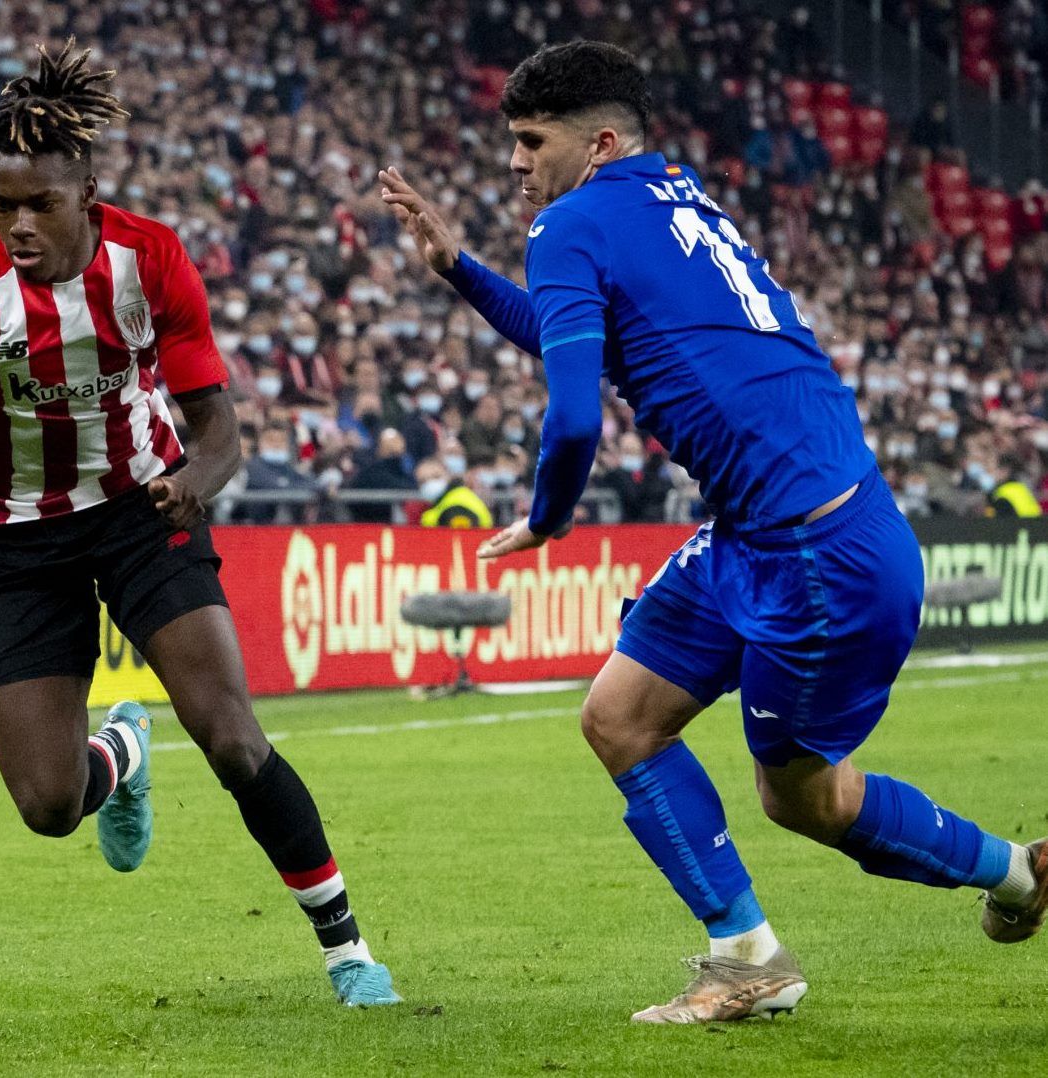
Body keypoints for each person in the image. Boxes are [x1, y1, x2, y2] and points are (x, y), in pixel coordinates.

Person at [381, 40, 1046, 1024]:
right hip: (778, 526)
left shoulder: (568, 224)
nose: (514, 163)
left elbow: (572, 417)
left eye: (530, 141)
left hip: (813, 557)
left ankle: (1013, 877)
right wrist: (458, 270)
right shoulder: (676, 199)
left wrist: (546, 517)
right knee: (616, 715)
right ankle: (751, 952)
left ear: (597, 143)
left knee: (804, 800)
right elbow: (582, 332)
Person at [0, 41, 398, 1008]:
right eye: (1, 205)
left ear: (87, 189)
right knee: (50, 808)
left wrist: (202, 478)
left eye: (40, 205)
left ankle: (348, 952)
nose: (19, 225)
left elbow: (219, 429)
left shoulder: (150, 258)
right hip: (7, 533)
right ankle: (123, 755)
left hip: (142, 507)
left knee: (233, 737)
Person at [414, 455, 492, 528]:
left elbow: (459, 538)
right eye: (422, 481)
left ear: (449, 475)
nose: (430, 483)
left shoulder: (457, 503)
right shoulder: (442, 502)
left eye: (436, 476)